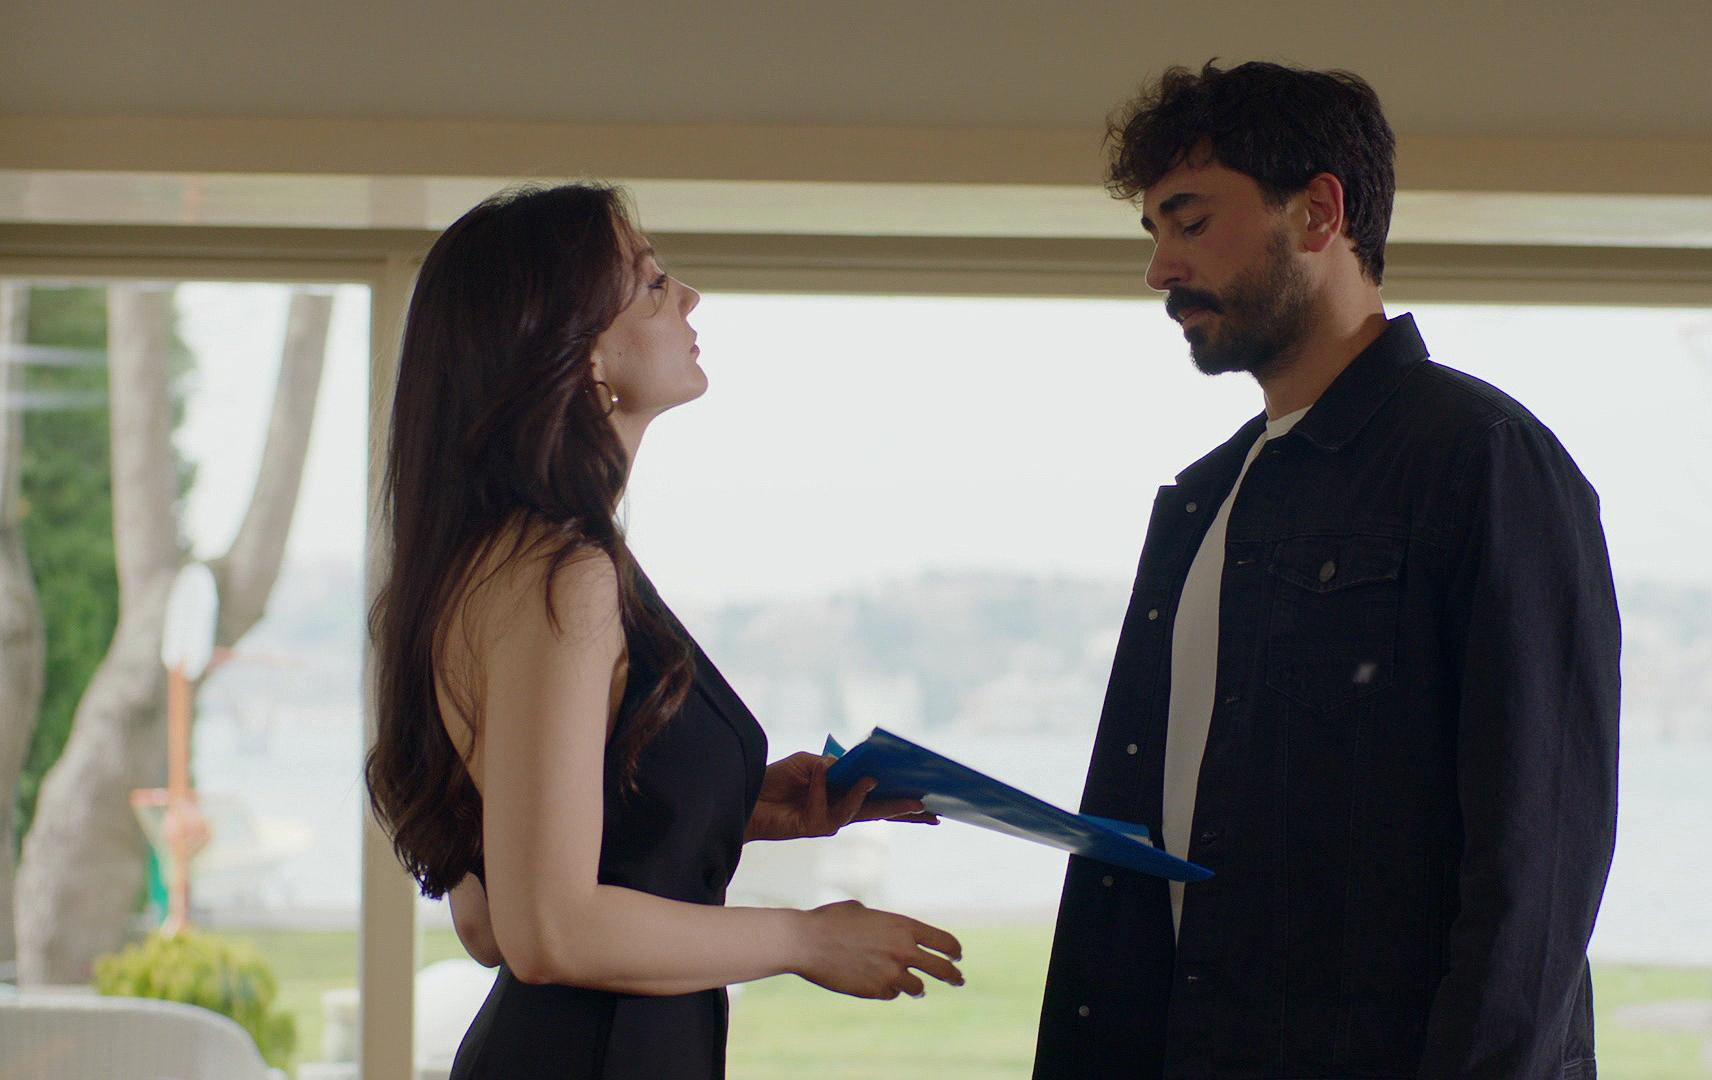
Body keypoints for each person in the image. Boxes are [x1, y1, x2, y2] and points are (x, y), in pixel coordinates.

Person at [1035, 62, 1621, 1079]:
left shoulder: (1484, 458)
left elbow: (1540, 856)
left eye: (1190, 221)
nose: (1160, 270)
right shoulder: (1205, 496)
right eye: (1154, 233)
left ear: (1318, 213)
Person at [363, 182, 963, 1080]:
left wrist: (728, 811)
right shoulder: (560, 574)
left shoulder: (503, 562)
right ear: (580, 352)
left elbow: (488, 921)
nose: (688, 297)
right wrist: (805, 939)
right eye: (651, 283)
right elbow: (544, 930)